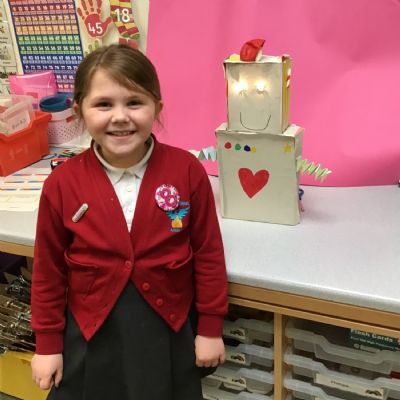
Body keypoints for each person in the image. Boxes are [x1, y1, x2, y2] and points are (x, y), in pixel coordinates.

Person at [31, 43, 228, 400]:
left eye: (134, 102)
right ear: (78, 111)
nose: (120, 117)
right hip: (90, 331)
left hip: (168, 328)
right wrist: (47, 345)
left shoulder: (187, 171)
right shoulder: (62, 184)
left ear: (157, 108)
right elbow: (48, 271)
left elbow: (208, 253)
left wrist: (211, 329)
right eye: (103, 104)